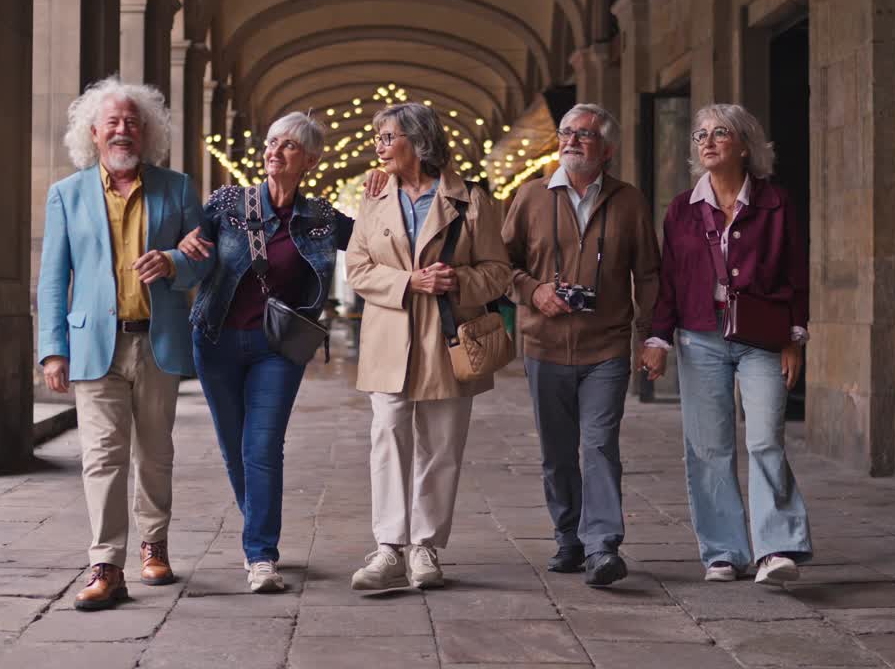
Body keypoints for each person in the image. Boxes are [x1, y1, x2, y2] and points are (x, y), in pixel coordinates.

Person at [37, 76, 209, 610]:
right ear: (93, 133)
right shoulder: (66, 194)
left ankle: (154, 544)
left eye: (132, 122)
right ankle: (106, 563)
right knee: (103, 457)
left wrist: (175, 261)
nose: (122, 130)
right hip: (95, 347)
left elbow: (206, 261)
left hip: (156, 342)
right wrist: (52, 347)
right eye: (112, 122)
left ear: (147, 132)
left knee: (155, 453)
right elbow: (51, 277)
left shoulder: (177, 188)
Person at [176, 112, 353, 593]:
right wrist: (187, 242)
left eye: (289, 145)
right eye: (272, 141)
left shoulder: (321, 218)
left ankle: (260, 555)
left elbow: (376, 239)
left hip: (279, 347)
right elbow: (188, 240)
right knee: (235, 450)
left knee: (262, 447)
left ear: (310, 161)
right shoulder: (229, 201)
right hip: (216, 340)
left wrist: (386, 188)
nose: (275, 151)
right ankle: (258, 524)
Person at [640, 103, 812, 586]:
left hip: (763, 337)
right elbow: (670, 281)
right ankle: (723, 552)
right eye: (699, 136)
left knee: (764, 439)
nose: (707, 142)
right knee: (708, 447)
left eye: (719, 133)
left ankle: (776, 549)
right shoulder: (681, 209)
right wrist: (658, 336)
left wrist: (795, 337)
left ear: (743, 144)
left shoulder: (775, 203)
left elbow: (796, 274)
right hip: (700, 336)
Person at [345, 102, 511, 590]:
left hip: (448, 339)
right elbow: (357, 269)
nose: (378, 146)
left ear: (418, 142)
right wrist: (408, 282)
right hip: (389, 337)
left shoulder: (472, 199)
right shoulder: (373, 198)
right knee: (388, 437)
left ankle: (425, 548)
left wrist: (456, 279)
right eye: (377, 137)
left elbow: (499, 272)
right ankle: (388, 548)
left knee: (440, 447)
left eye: (387, 136)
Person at [501, 103, 660, 587]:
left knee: (598, 446)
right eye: (566, 133)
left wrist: (649, 338)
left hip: (606, 347)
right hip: (543, 346)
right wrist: (534, 291)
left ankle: (602, 546)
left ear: (606, 149)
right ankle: (568, 536)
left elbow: (649, 274)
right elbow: (499, 267)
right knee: (556, 452)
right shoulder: (530, 197)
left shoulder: (629, 202)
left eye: (584, 134)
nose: (571, 140)